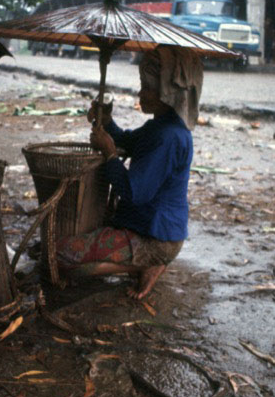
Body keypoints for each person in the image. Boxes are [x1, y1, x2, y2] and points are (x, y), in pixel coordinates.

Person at [55, 47, 196, 299]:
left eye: (147, 87)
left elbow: (132, 192)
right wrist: (106, 121)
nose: (140, 93)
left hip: (154, 238)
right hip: (145, 226)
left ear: (167, 93)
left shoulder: (168, 137)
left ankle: (147, 263)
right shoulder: (161, 127)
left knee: (62, 256)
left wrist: (109, 153)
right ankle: (141, 261)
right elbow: (126, 140)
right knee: (63, 249)